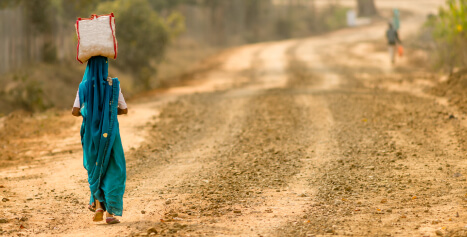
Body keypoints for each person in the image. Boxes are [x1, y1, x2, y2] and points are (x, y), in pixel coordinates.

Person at [72, 56, 128, 224]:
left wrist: (90, 112)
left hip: (90, 135)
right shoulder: (113, 86)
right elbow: (124, 110)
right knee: (113, 168)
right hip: (110, 135)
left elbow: (75, 111)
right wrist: (109, 112)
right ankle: (110, 213)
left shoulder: (83, 86)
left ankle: (98, 207)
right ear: (105, 66)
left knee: (95, 168)